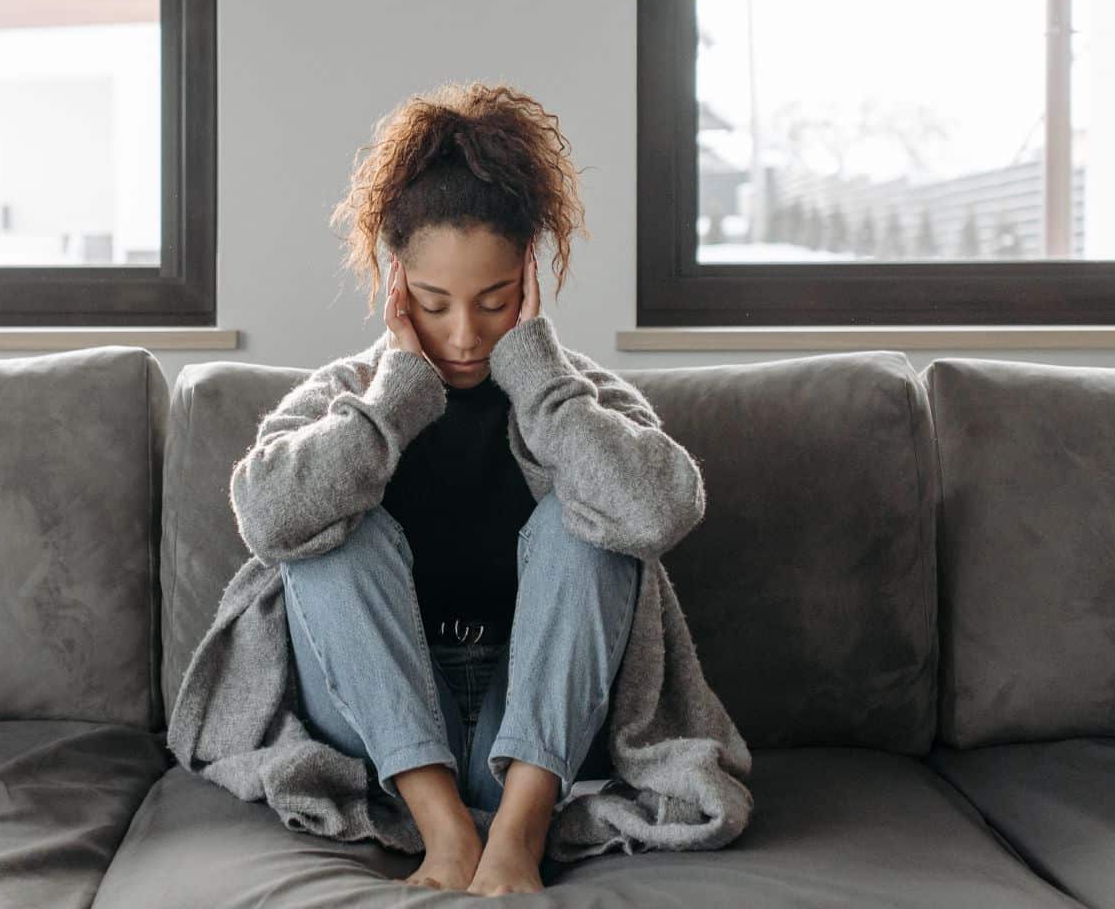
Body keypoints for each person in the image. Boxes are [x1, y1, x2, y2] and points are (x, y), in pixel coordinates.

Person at [167, 82, 752, 897]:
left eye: (496, 302)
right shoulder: (351, 393)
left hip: (544, 728)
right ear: (394, 280)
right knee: (333, 537)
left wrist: (542, 384)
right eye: (436, 304)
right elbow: (266, 517)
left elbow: (661, 509)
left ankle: (516, 832)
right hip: (384, 730)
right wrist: (390, 406)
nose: (466, 334)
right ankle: (444, 831)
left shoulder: (575, 399)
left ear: (531, 282)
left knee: (589, 523)